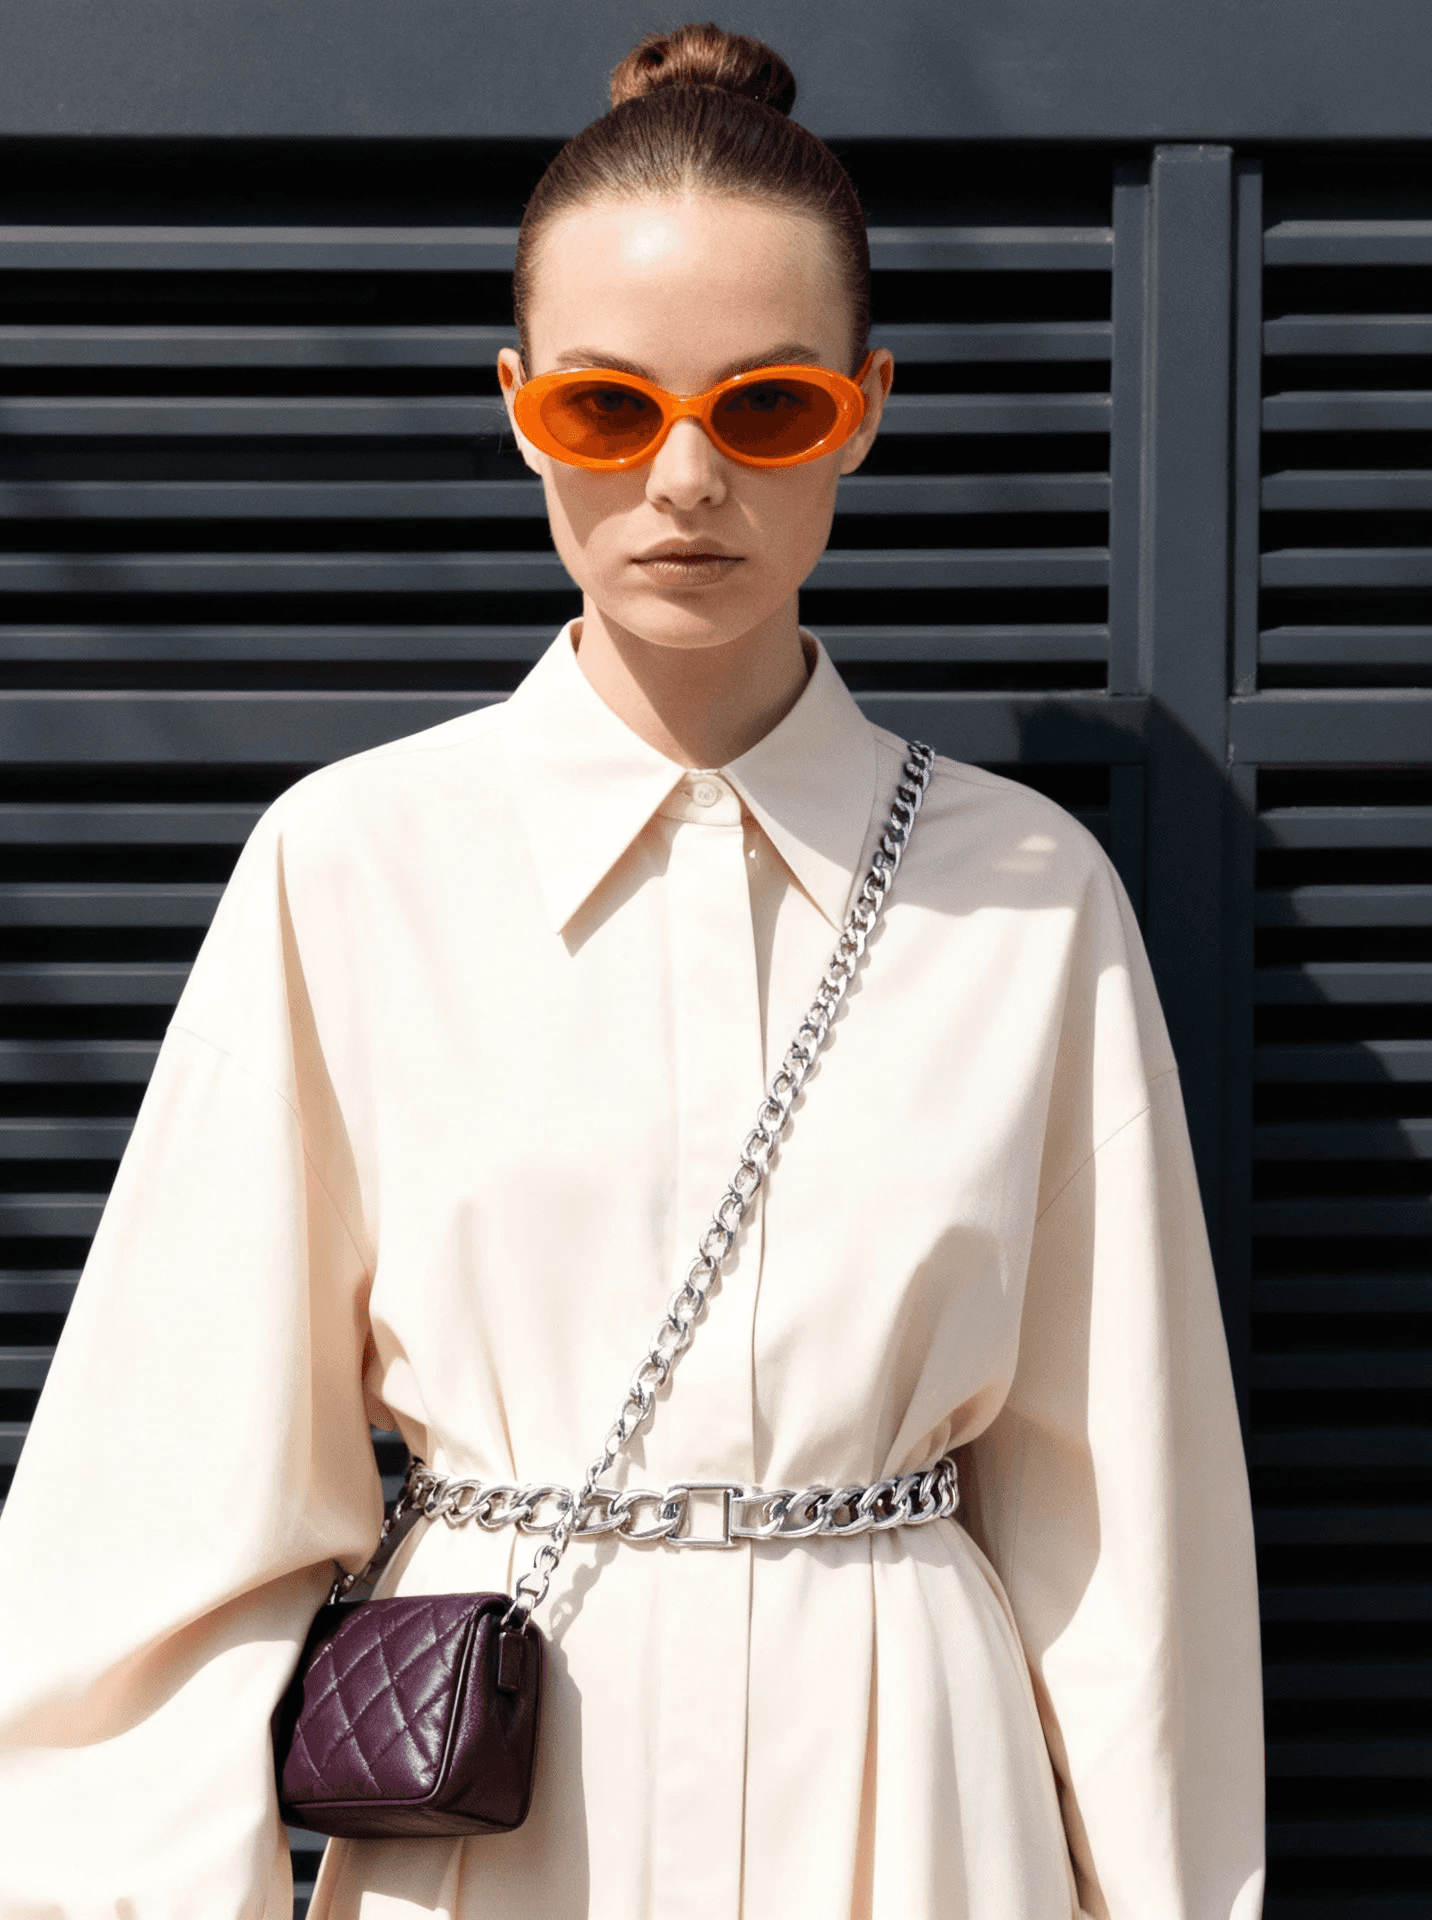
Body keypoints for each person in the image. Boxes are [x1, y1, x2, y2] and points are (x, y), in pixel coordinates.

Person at [0, 24, 1264, 1920]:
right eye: (606, 410)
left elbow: (1129, 1537)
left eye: (766, 411)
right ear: (519, 404)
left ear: (865, 406)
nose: (684, 480)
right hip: (499, 1812)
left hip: (911, 1811)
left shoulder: (1031, 899)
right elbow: (166, 1504)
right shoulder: (354, 867)